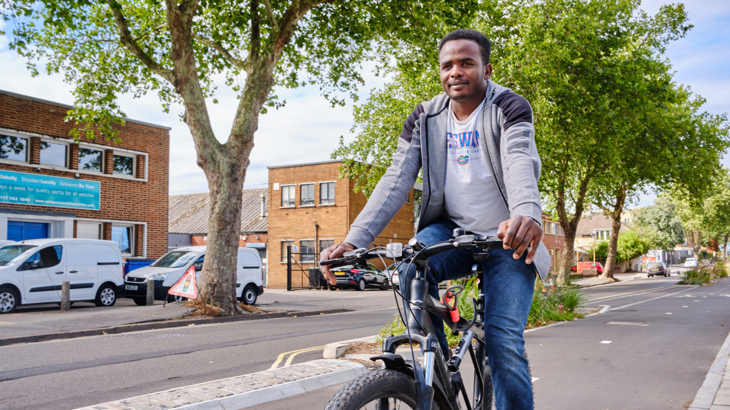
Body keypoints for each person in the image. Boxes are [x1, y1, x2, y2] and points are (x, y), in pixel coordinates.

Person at [319, 29, 550, 410]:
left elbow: (520, 159)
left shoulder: (509, 106)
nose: (455, 71)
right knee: (409, 266)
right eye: (447, 65)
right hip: (452, 229)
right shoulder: (425, 117)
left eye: (466, 63)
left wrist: (526, 213)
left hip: (507, 239)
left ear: (486, 69)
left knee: (503, 340)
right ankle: (438, 368)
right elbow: (396, 181)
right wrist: (354, 239)